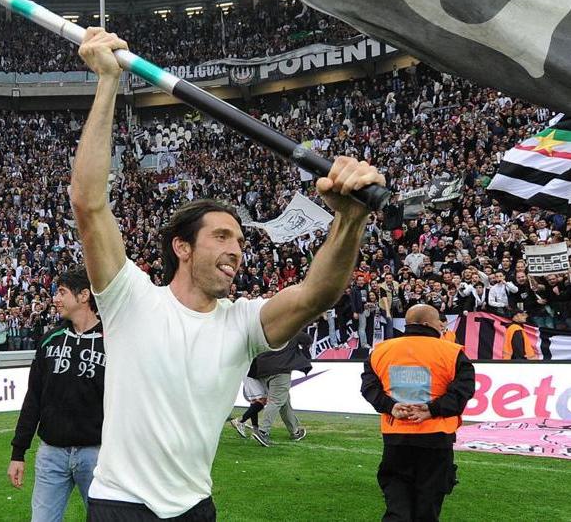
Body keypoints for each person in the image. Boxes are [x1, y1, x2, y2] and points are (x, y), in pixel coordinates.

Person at [71, 27, 385, 521]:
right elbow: (89, 205)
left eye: (239, 240)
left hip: (197, 508)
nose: (237, 249)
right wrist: (108, 82)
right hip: (120, 506)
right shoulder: (130, 299)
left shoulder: (242, 323)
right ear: (182, 248)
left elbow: (317, 294)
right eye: (221, 236)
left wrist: (349, 219)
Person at [360, 304, 475, 522]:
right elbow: (464, 391)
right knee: (428, 504)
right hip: (436, 436)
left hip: (396, 437)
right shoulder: (452, 352)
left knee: (397, 502)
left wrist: (390, 406)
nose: (443, 328)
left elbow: (369, 388)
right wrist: (432, 410)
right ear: (427, 324)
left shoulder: (381, 350)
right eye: (439, 324)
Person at [8, 266, 105, 522]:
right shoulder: (50, 340)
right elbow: (34, 398)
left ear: (84, 295)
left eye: (62, 292)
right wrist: (18, 453)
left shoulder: (113, 341)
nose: (56, 298)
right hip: (51, 454)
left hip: (97, 455)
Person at [249, 332, 311, 447]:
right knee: (277, 401)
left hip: (263, 370)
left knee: (284, 400)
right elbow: (307, 339)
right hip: (281, 369)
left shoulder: (267, 330)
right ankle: (263, 431)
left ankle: (295, 431)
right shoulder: (292, 331)